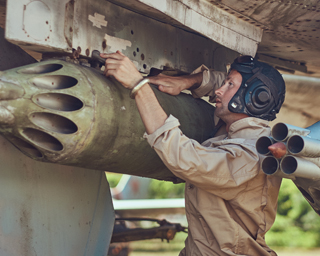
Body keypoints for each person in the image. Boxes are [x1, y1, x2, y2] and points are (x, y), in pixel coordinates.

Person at [100, 51, 286, 256]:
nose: (219, 90)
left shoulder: (250, 155)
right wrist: (188, 81)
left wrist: (138, 85)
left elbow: (183, 156)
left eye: (229, 85)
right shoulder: (233, 131)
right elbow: (219, 83)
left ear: (253, 98)